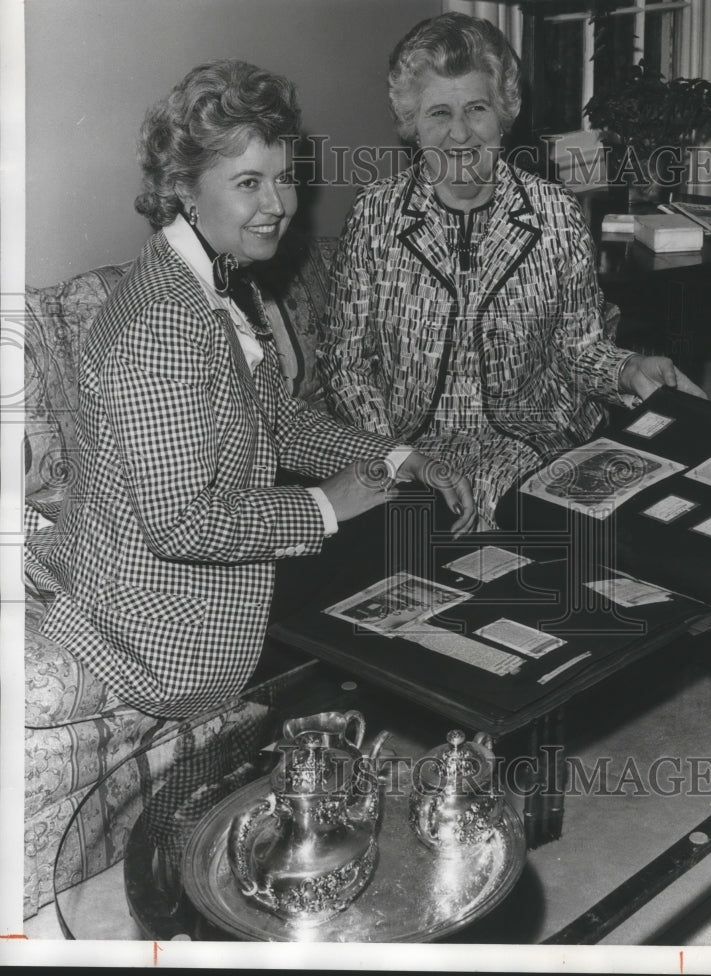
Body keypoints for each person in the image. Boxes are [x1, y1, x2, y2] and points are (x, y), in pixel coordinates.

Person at [32, 60, 475, 719]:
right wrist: (326, 505)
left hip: (190, 567)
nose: (278, 205)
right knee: (411, 535)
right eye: (248, 183)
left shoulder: (211, 281)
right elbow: (181, 525)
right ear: (185, 189)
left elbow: (281, 422)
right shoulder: (163, 324)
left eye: (284, 177)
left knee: (415, 507)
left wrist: (395, 457)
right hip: (163, 624)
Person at [318, 12, 706, 529]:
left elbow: (580, 349)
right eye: (438, 113)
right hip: (410, 452)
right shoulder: (375, 215)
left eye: (476, 108)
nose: (459, 133)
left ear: (505, 113)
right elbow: (346, 361)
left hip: (533, 444)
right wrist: (393, 458)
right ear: (412, 125)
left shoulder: (553, 213)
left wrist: (628, 369)